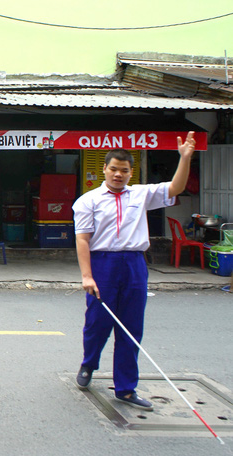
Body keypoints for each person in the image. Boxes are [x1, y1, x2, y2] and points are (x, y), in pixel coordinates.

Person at [72, 132, 197, 410]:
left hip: (134, 264)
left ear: (132, 172)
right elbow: (82, 239)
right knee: (97, 322)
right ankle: (88, 364)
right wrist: (87, 275)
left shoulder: (142, 194)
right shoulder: (87, 201)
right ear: (104, 169)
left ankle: (126, 388)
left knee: (131, 328)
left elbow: (175, 188)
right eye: (114, 169)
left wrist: (185, 158)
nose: (118, 174)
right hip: (102, 263)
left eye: (124, 170)